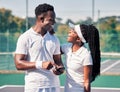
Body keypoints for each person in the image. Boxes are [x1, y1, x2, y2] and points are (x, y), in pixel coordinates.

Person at [14, 3, 64, 92]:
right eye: (51, 20)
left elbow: (58, 61)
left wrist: (60, 69)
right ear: (41, 19)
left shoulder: (54, 39)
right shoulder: (25, 37)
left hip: (54, 86)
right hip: (34, 87)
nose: (54, 22)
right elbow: (18, 64)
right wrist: (41, 64)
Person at [61, 23, 101, 92]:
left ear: (78, 39)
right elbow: (54, 51)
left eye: (73, 31)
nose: (69, 32)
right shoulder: (66, 47)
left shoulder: (85, 55)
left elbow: (86, 81)